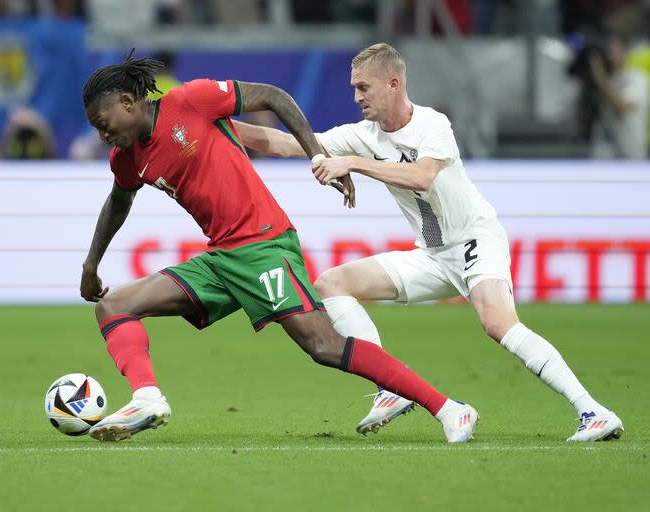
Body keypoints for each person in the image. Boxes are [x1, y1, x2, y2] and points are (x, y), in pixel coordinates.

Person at [78, 51, 479, 443]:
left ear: (128, 102)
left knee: (323, 345)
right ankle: (147, 398)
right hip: (222, 259)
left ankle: (448, 407)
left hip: (264, 243)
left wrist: (317, 154)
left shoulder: (189, 100)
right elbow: (119, 201)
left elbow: (272, 96)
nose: (103, 134)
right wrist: (91, 264)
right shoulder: (126, 159)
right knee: (113, 306)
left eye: (103, 122)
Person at [232, 43, 624, 442]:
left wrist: (352, 163)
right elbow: (281, 143)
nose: (356, 97)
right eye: (354, 88)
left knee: (498, 323)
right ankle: (388, 387)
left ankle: (593, 411)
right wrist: (220, 126)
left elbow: (422, 176)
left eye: (364, 87)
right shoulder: (361, 135)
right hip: (433, 255)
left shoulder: (432, 124)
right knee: (333, 282)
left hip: (474, 239)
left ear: (393, 83)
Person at [590, 34, 649, 160]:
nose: (611, 56)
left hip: (631, 153)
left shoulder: (637, 78)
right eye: (608, 52)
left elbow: (622, 107)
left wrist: (600, 79)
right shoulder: (608, 79)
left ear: (626, 52)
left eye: (614, 51)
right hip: (607, 151)